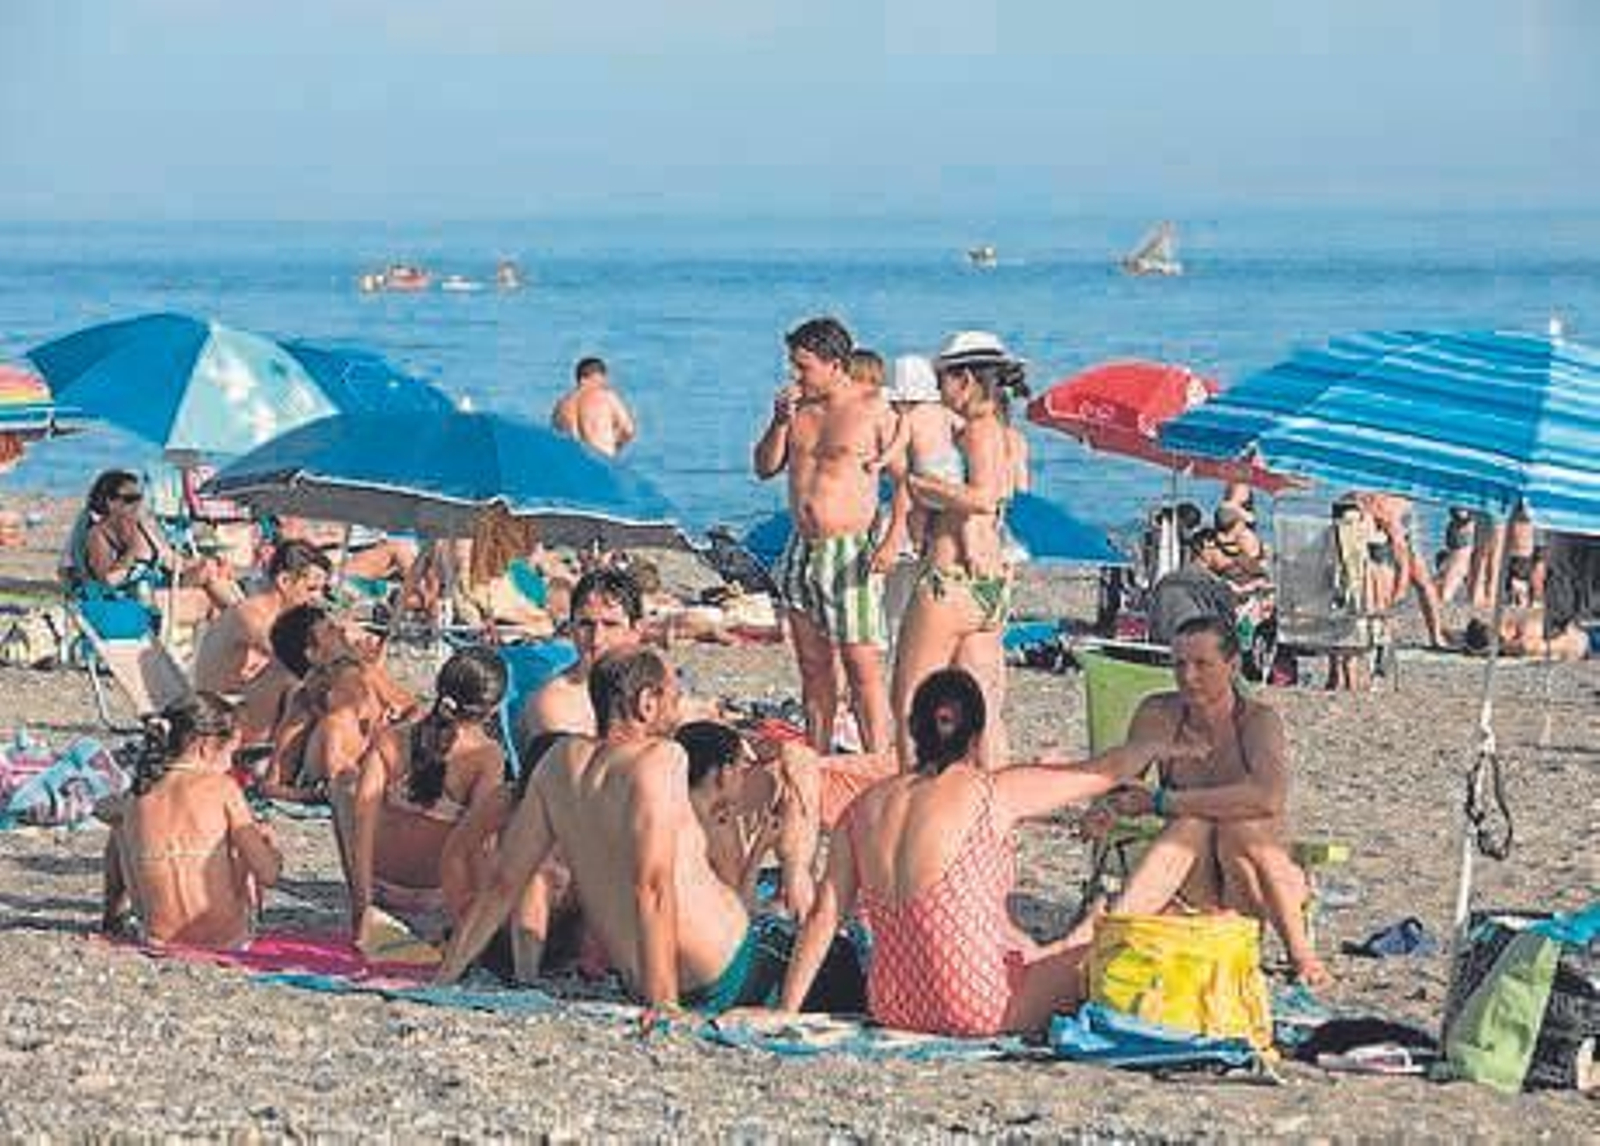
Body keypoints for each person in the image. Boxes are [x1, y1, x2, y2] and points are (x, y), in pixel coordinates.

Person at [775, 668, 1199, 1036]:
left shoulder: (864, 806)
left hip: (892, 1005)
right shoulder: (991, 793)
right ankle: (1085, 933)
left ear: (913, 729)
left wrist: (786, 1012)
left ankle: (1073, 936)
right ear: (977, 736)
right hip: (977, 1006)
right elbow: (1101, 773)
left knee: (1028, 944)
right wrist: (1160, 748)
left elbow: (824, 915)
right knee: (1117, 943)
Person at [437, 648, 758, 1014]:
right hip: (726, 970)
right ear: (646, 702)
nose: (679, 708)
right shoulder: (661, 758)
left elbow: (504, 883)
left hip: (639, 983)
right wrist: (664, 1004)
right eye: (674, 696)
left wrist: (444, 979)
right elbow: (652, 884)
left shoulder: (557, 762)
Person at [1076, 615, 1329, 986]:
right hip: (1194, 877)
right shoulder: (1159, 713)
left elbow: (1268, 798)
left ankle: (1301, 955)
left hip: (1261, 880)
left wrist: (1164, 801)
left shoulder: (1258, 722)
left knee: (1241, 828)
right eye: (1179, 664)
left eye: (1202, 664)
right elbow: (1127, 782)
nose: (1188, 676)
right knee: (1192, 823)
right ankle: (1110, 939)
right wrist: (1107, 807)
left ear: (1233, 665)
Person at [754, 317, 899, 754]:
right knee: (813, 666)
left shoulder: (873, 409)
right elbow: (764, 467)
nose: (796, 376)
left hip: (850, 550)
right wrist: (779, 422)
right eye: (793, 366)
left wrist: (893, 540)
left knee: (861, 666)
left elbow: (907, 480)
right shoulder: (799, 411)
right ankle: (818, 758)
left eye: (804, 367)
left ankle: (877, 760)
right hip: (802, 548)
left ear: (836, 364)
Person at [890, 332, 1029, 771]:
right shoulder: (1008, 434)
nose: (937, 389)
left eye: (941, 379)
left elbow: (982, 497)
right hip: (989, 585)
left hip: (950, 581)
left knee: (910, 702)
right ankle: (990, 809)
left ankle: (909, 806)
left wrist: (919, 485)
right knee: (982, 709)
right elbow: (1009, 501)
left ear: (964, 379)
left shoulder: (977, 430)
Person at [348, 648, 508, 943]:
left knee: (344, 790)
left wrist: (362, 906)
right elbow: (480, 844)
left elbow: (361, 827)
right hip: (437, 900)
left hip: (380, 891)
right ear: (494, 708)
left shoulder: (390, 739)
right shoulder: (487, 756)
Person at [101, 694, 282, 948]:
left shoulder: (138, 792)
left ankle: (114, 917)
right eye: (231, 753)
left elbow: (100, 808)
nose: (231, 764)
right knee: (248, 835)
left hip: (157, 938)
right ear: (204, 745)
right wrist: (270, 844)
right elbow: (269, 875)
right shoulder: (223, 787)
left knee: (120, 823)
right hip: (227, 937)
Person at [70, 469, 237, 625]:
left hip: (160, 587)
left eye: (138, 498)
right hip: (130, 598)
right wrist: (132, 552)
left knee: (210, 569)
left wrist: (207, 562)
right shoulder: (98, 534)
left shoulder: (142, 526)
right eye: (129, 499)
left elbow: (172, 560)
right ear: (110, 502)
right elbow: (108, 581)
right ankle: (241, 618)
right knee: (212, 603)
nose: (136, 504)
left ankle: (241, 618)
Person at [515, 567, 644, 742]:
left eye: (611, 625)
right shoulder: (556, 705)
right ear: (571, 629)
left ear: (636, 631)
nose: (596, 639)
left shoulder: (650, 687)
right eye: (586, 624)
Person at [193, 539, 333, 695]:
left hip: (232, 699)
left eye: (322, 590)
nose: (318, 598)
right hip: (216, 706)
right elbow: (300, 665)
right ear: (284, 581)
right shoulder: (256, 618)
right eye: (311, 588)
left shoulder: (267, 612)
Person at [1358, 492, 1445, 647]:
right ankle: (1381, 635)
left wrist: (1400, 589)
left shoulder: (1386, 514)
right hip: (1375, 509)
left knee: (1421, 580)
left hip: (1398, 513)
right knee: (1376, 581)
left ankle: (1436, 636)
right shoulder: (1350, 513)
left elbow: (1401, 554)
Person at [1145, 528, 1239, 647]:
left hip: (1160, 656)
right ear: (1206, 547)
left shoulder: (1166, 582)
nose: (1233, 559)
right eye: (1226, 551)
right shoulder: (1216, 588)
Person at [551, 356, 637, 457]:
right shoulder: (606, 396)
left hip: (571, 465)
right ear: (598, 376)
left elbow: (556, 439)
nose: (604, 384)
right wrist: (616, 446)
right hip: (600, 462)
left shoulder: (560, 406)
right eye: (602, 379)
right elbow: (628, 429)